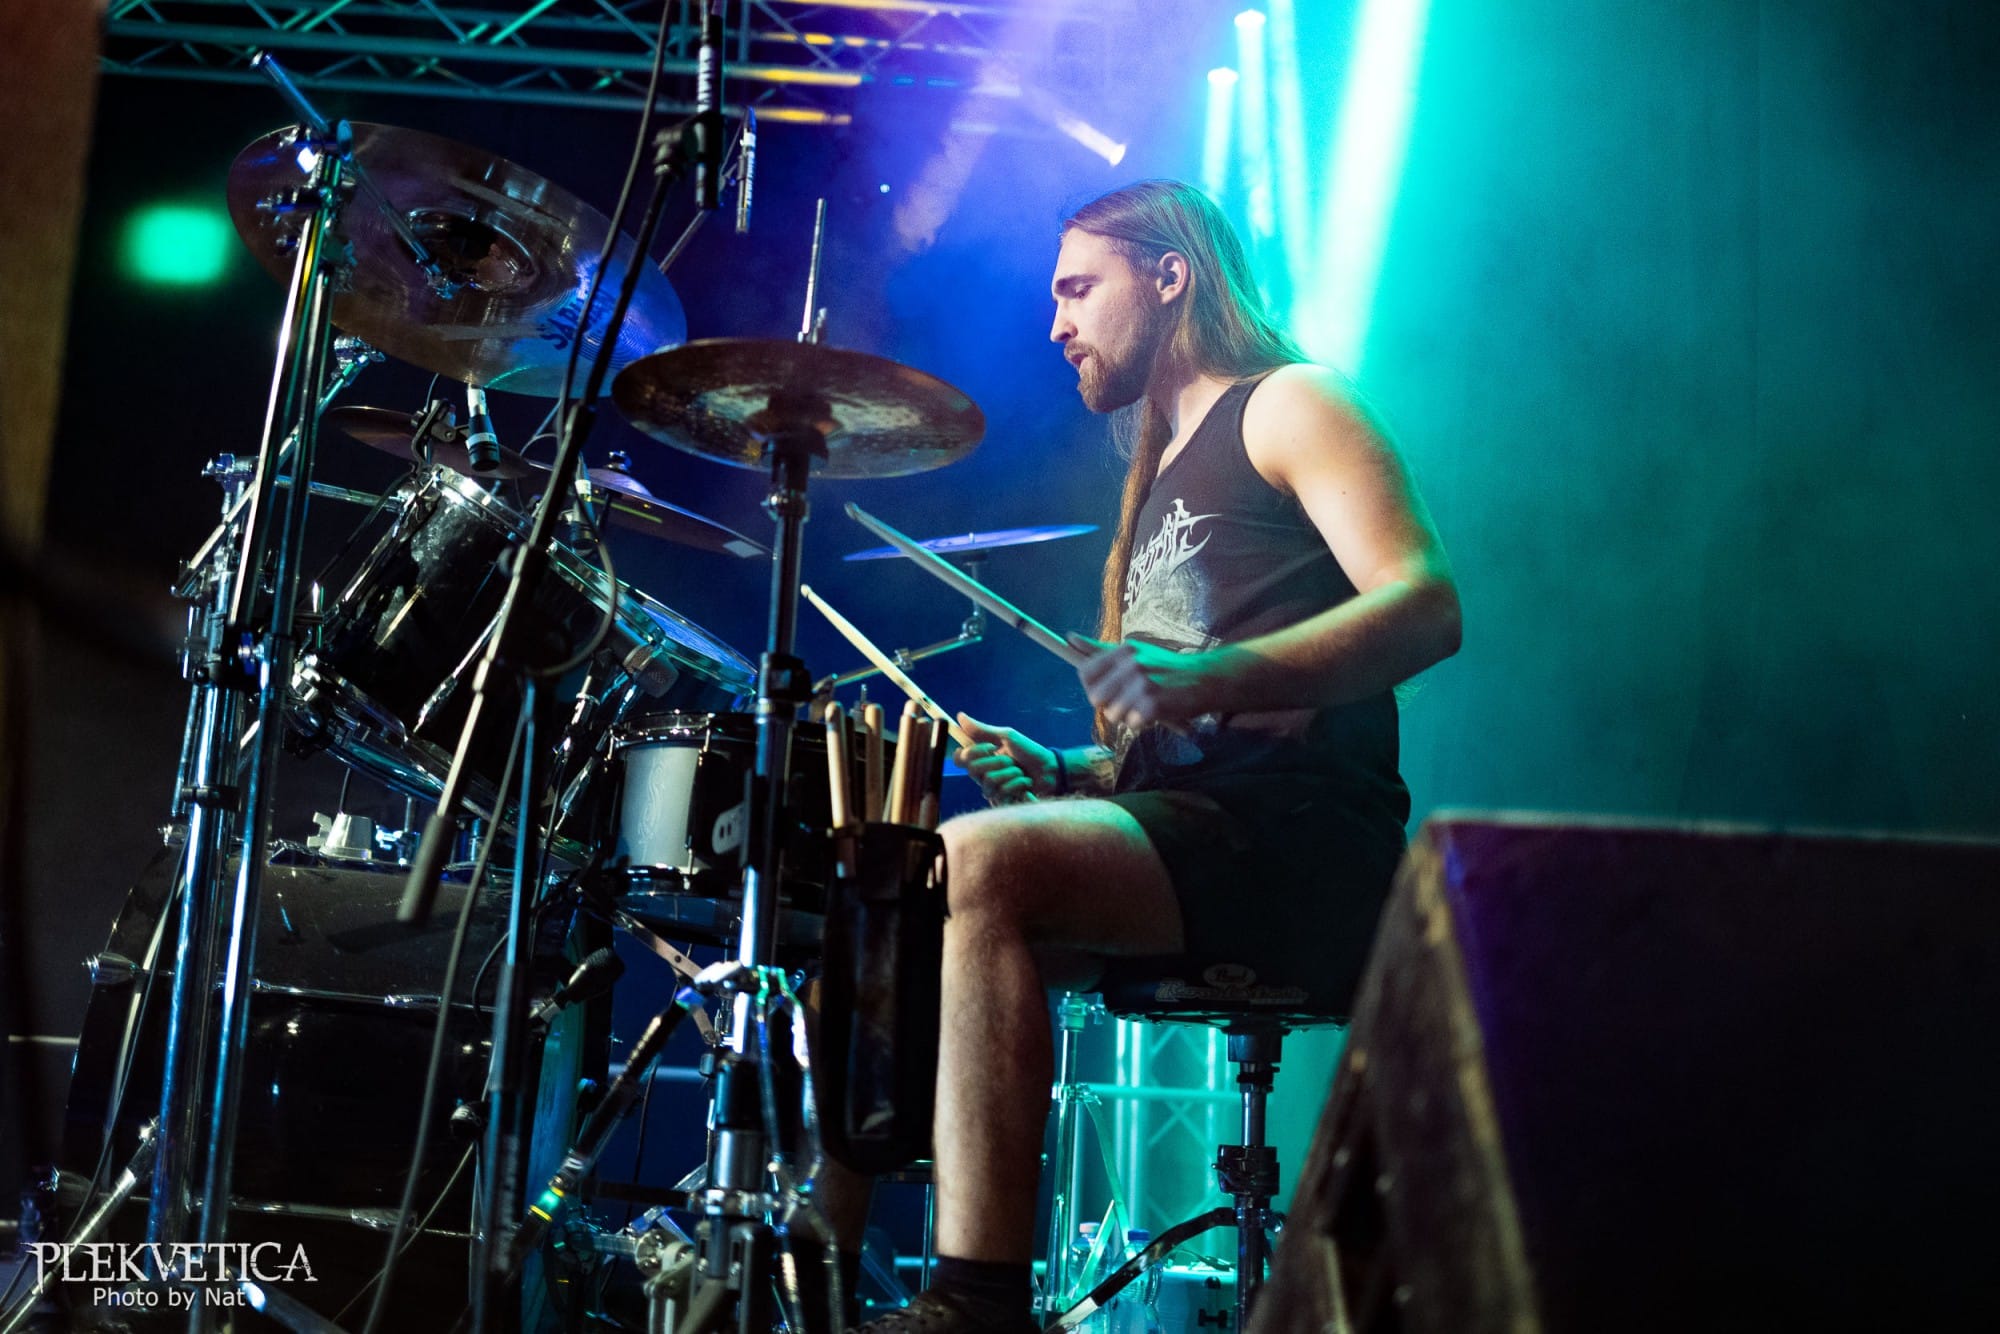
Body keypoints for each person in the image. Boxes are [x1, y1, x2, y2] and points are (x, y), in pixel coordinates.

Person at [848, 179, 1461, 1333]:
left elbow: (1426, 606)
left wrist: (1204, 677)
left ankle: (974, 1302)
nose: (1055, 324)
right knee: (886, 894)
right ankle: (811, 1268)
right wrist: (1070, 773)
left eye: (1077, 288)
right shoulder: (1157, 472)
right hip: (1201, 833)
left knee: (973, 860)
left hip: (1301, 845)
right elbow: (1178, 746)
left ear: (1168, 275)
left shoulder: (1289, 403)